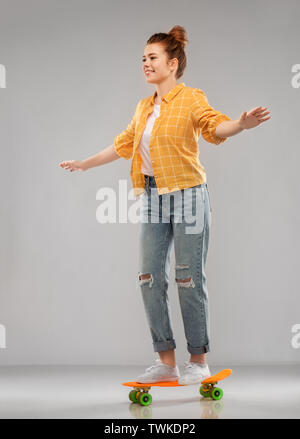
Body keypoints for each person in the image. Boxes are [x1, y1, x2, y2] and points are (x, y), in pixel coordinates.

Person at [59, 25, 270, 385]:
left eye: (152, 57)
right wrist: (84, 163)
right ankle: (166, 361)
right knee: (148, 277)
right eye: (143, 58)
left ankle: (198, 360)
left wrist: (241, 124)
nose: (145, 63)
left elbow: (213, 126)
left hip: (188, 193)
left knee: (188, 278)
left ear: (172, 64)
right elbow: (123, 144)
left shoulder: (190, 98)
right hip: (154, 196)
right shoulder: (143, 108)